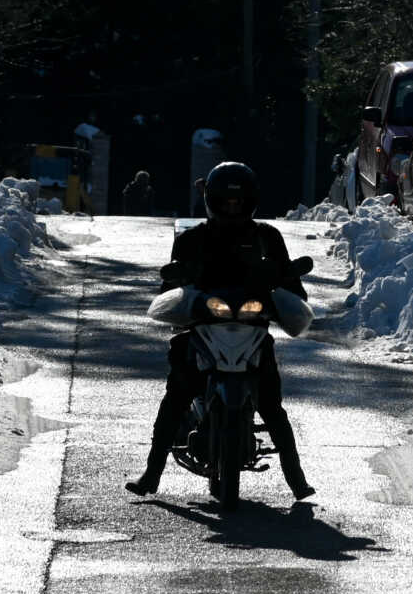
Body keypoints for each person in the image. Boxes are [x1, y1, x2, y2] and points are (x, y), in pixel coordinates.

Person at [126, 160, 314, 501]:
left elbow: (292, 284)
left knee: (271, 404)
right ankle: (151, 473)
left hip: (252, 326)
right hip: (204, 327)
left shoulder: (266, 237)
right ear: (211, 200)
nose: (232, 206)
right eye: (226, 201)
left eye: (238, 201)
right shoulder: (191, 239)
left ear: (250, 200)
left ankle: (295, 477)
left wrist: (284, 289)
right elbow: (171, 285)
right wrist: (177, 289)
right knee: (176, 396)